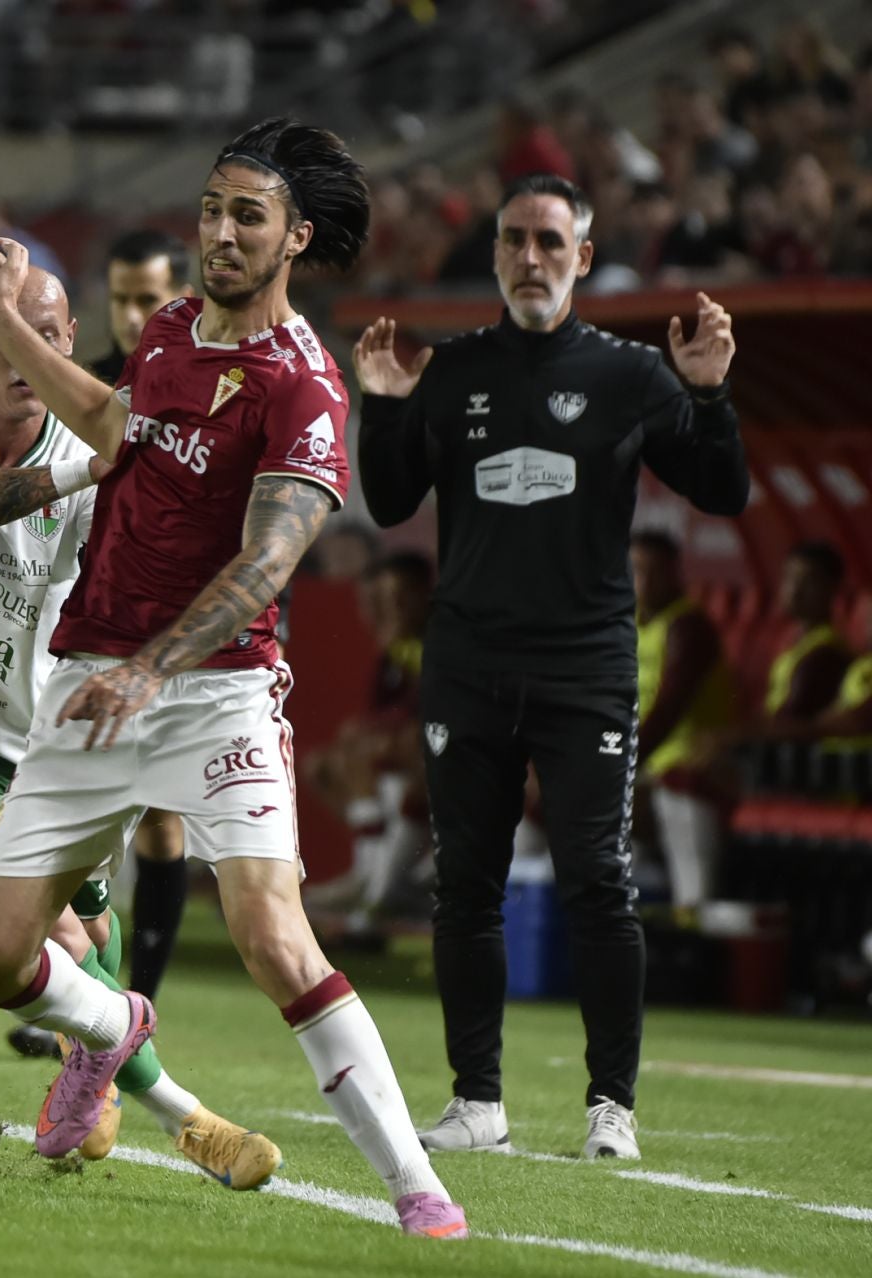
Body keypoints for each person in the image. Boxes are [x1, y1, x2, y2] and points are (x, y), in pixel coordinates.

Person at [0, 117, 467, 1239]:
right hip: (91, 677)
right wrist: (4, 328)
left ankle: (416, 1189)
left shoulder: (307, 386)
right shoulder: (175, 330)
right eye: (211, 209)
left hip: (216, 688)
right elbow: (113, 421)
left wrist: (154, 666)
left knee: (273, 935)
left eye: (247, 216)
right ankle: (111, 1026)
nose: (219, 233)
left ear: (297, 238)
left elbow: (270, 557)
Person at [354, 173, 748, 1162]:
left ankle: (611, 1106)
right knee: (465, 889)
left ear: (583, 251)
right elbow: (392, 503)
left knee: (597, 883)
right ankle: (476, 1101)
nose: (533, 258)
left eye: (551, 241)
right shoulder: (450, 370)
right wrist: (386, 408)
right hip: (469, 666)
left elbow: (726, 492)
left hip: (586, 672)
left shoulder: (626, 374)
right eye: (516, 240)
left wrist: (709, 395)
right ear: (494, 253)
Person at [0, 266, 278, 1186]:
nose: (33, 355)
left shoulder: (93, 446)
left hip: (51, 735)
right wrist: (88, 465)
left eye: (52, 338)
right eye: (12, 333)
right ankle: (191, 1117)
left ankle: (90, 1069)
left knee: (92, 934)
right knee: (48, 944)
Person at [83, 227, 198, 1009]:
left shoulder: (205, 387)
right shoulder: (81, 387)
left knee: (159, 823)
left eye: (147, 298)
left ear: (179, 294)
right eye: (121, 298)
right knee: (75, 819)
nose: (131, 315)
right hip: (81, 624)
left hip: (173, 633)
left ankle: (138, 1005)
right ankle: (78, 998)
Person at [304, 552, 434, 917]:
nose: (392, 608)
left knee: (389, 750)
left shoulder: (442, 638)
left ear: (425, 592)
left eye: (399, 596)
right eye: (382, 599)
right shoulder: (397, 647)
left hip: (452, 759)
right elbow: (385, 709)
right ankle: (376, 876)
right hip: (412, 753)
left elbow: (434, 706)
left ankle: (380, 887)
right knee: (326, 764)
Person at [630, 530, 737, 909]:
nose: (645, 582)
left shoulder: (689, 628)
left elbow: (668, 710)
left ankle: (695, 914)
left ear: (676, 573)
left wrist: (616, 769)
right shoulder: (632, 628)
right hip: (647, 768)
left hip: (690, 764)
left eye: (656, 571)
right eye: (637, 571)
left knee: (678, 789)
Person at [762, 542, 852, 725]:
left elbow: (788, 720)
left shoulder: (825, 653)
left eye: (808, 581)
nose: (795, 591)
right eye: (790, 578)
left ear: (832, 588)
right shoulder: (795, 643)